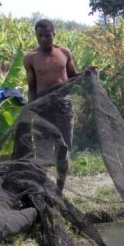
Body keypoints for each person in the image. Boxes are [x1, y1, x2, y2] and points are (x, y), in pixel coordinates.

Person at [23, 19, 77, 191]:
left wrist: (89, 73)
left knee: (63, 149)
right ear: (36, 36)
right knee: (43, 150)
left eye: (48, 35)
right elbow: (31, 88)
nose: (44, 39)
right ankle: (43, 190)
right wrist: (33, 108)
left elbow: (74, 76)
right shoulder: (30, 58)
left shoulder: (64, 53)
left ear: (54, 34)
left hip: (63, 106)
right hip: (43, 108)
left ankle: (60, 189)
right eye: (40, 35)